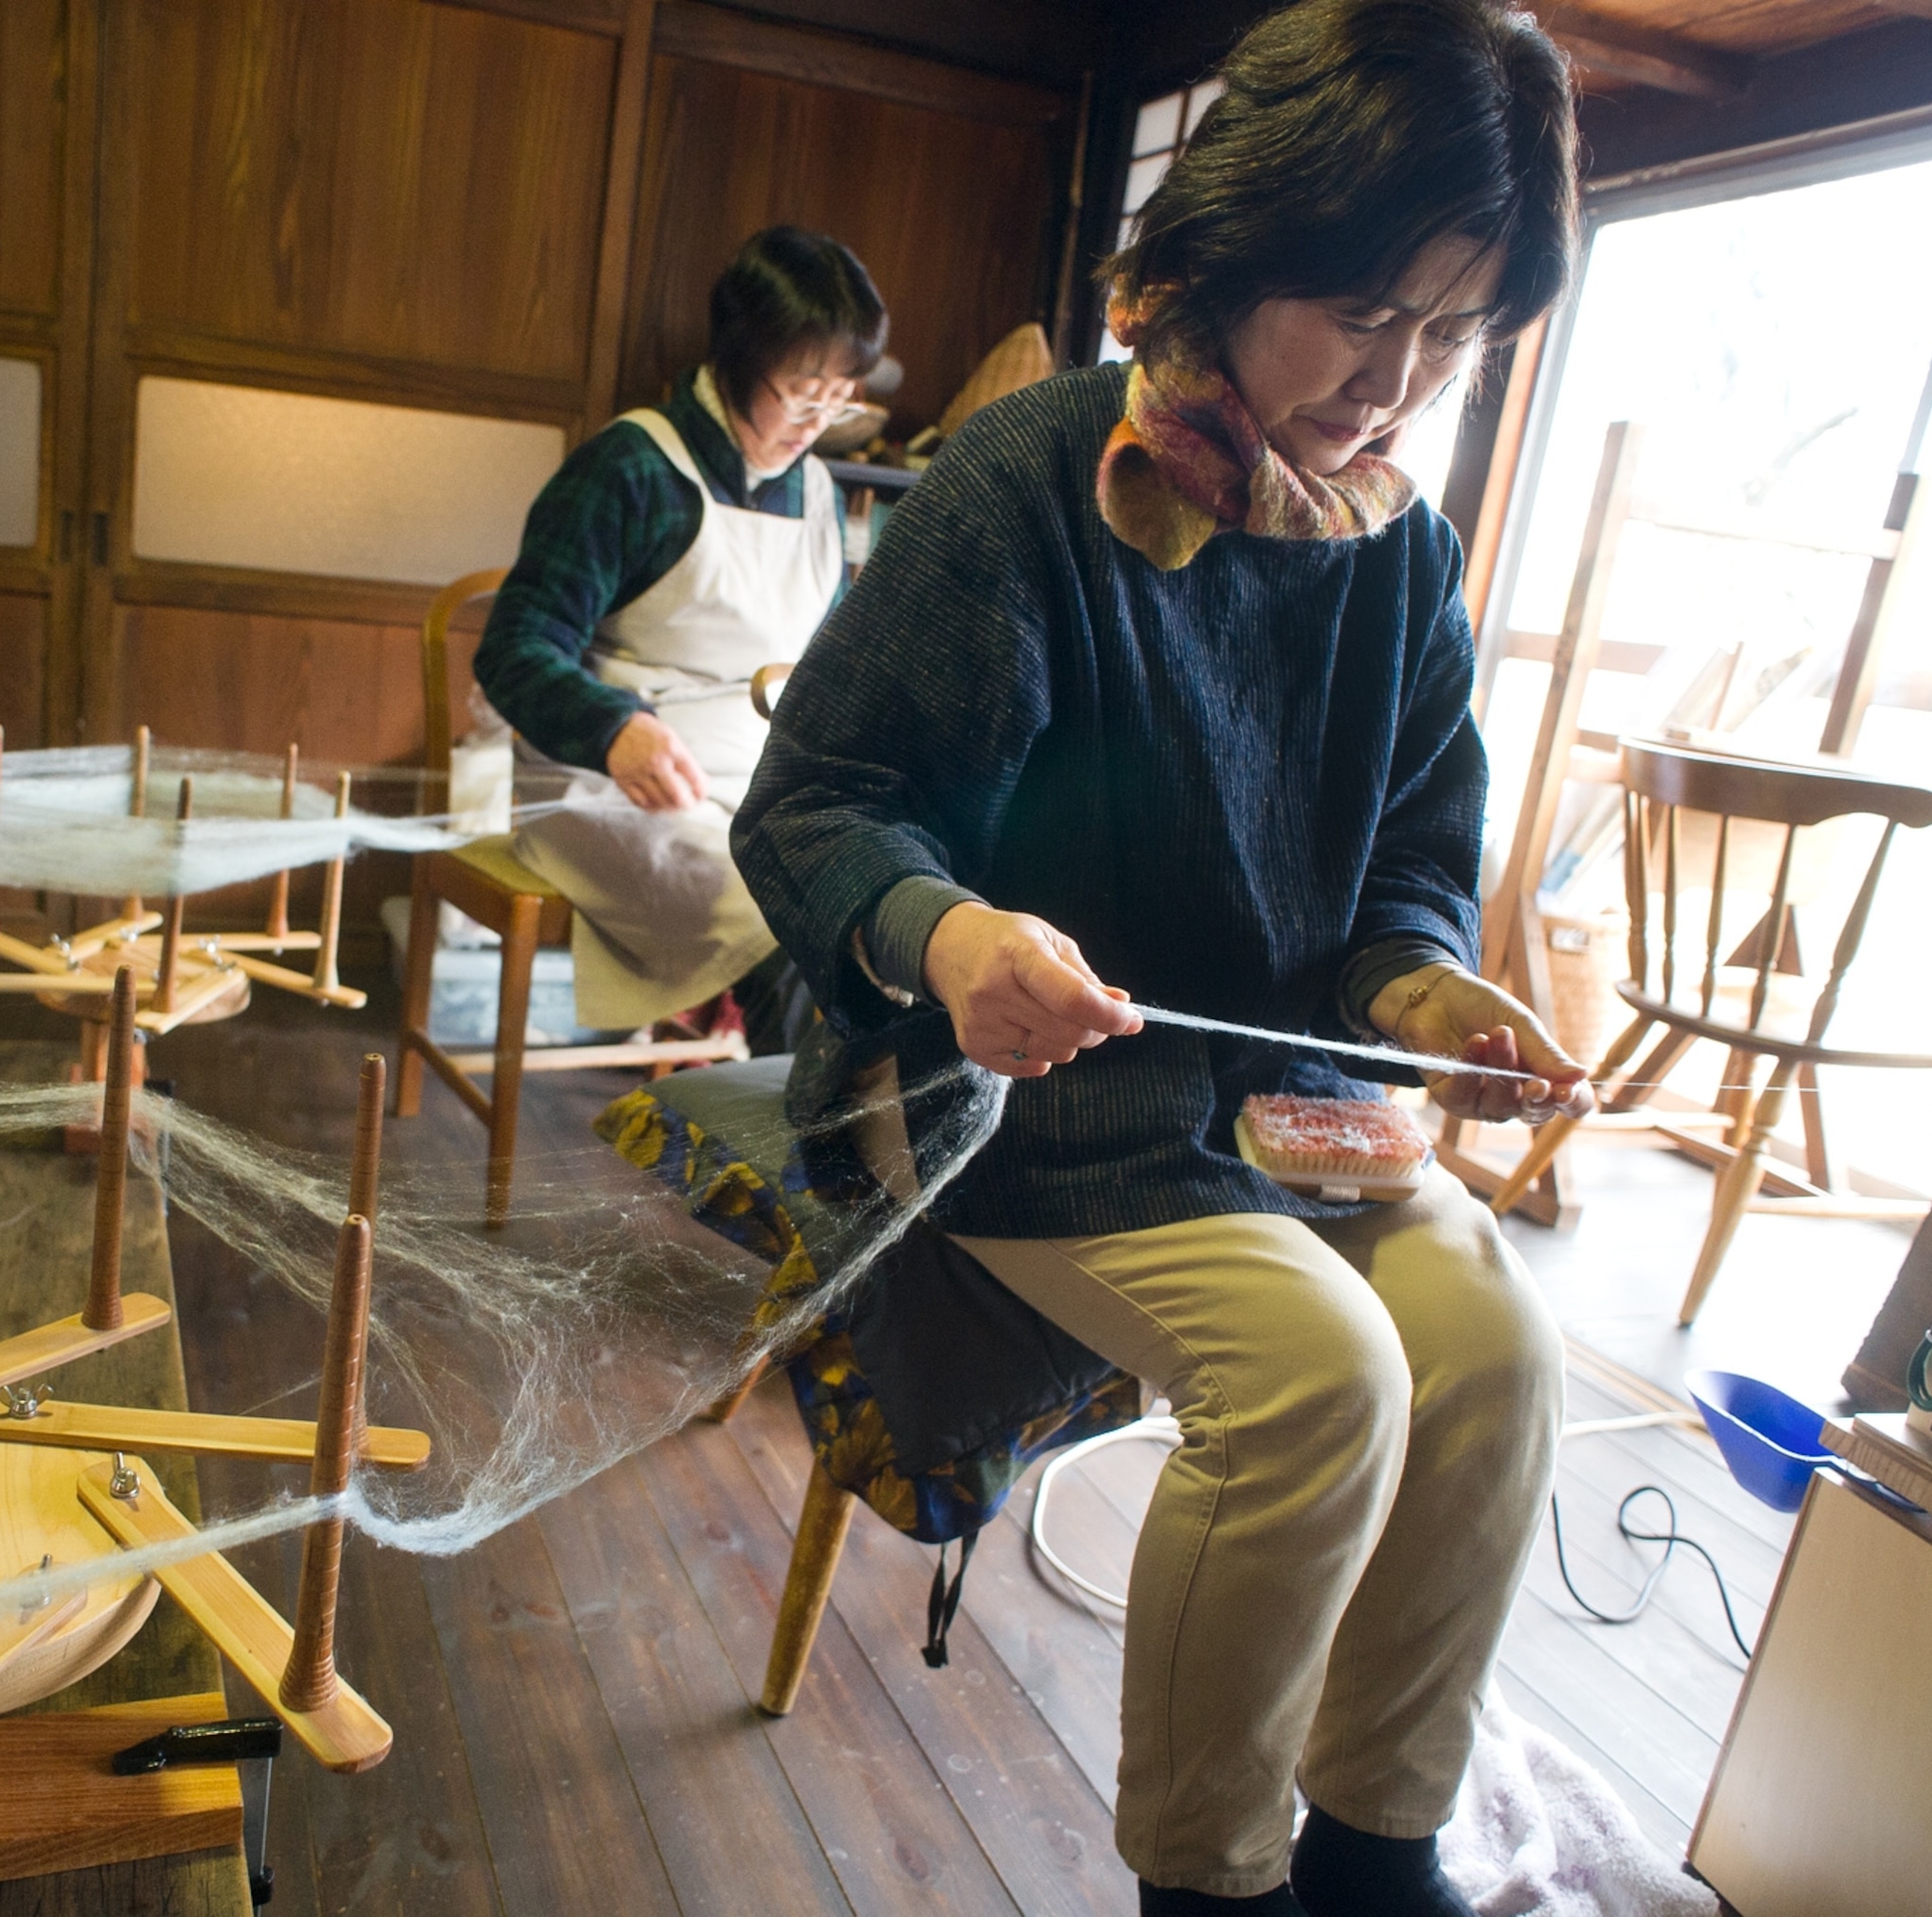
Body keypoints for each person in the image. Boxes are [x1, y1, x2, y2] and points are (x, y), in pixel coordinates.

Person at [731, 5, 1592, 1913]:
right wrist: (952, 931)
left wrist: (1429, 988)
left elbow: (1407, 875)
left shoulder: (1396, 552)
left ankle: (1378, 1836)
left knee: (1503, 1354)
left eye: (1456, 337)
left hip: (1280, 1103)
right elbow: (814, 806)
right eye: (1368, 315)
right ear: (1232, 252)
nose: (1401, 383)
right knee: (1324, 1380)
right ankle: (1209, 1879)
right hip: (1010, 1098)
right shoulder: (1036, 480)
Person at [472, 225, 883, 1050]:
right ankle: (809, 1156)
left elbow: (835, 671)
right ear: (737, 356)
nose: (821, 417)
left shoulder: (819, 495)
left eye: (841, 394)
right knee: (784, 919)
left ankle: (837, 1148)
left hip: (761, 784)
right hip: (613, 787)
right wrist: (614, 727)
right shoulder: (631, 468)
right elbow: (513, 647)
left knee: (882, 902)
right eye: (803, 387)